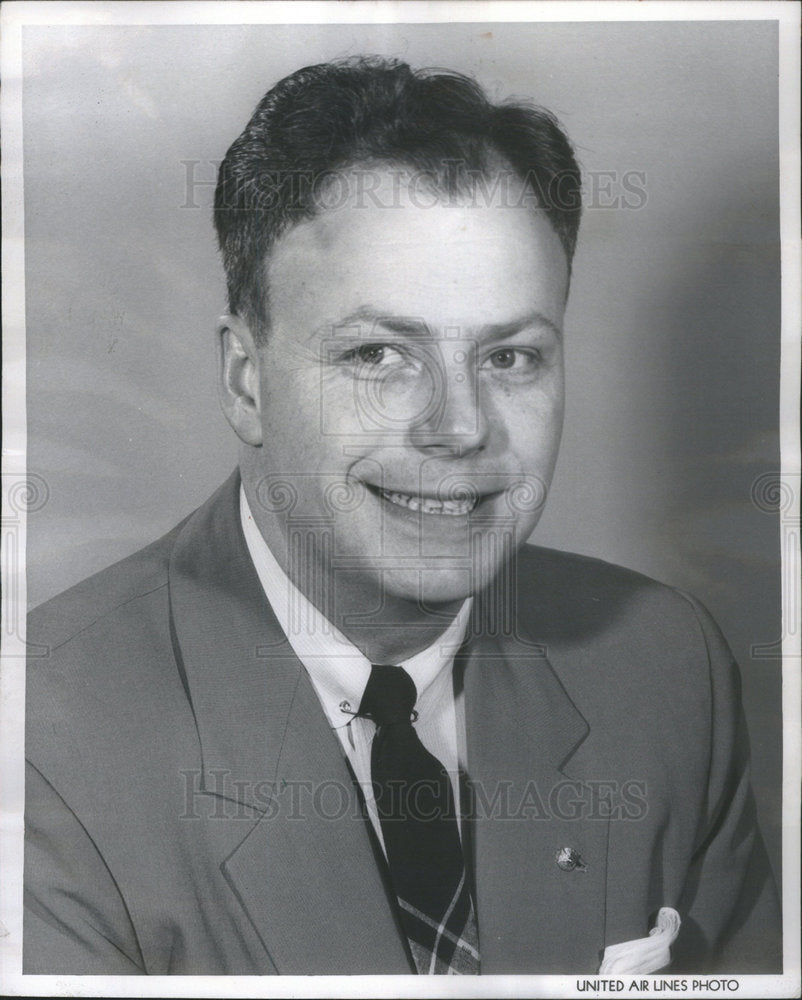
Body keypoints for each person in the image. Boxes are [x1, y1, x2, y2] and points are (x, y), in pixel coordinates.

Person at [24, 56, 781, 976]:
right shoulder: (42, 745)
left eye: (511, 358)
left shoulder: (664, 668)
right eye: (379, 354)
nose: (458, 427)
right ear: (244, 381)